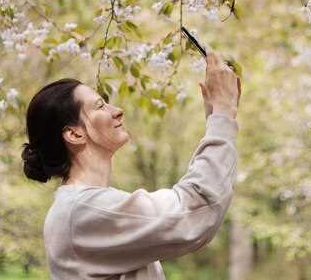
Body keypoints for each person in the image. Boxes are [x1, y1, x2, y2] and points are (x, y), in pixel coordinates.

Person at [22, 50, 241, 280]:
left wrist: (218, 116)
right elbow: (193, 209)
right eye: (100, 106)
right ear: (74, 134)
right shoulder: (82, 211)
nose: (117, 111)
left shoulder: (90, 206)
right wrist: (222, 117)